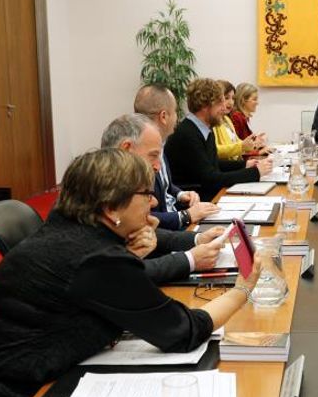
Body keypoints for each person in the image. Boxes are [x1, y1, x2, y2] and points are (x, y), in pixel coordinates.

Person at [0, 148, 260, 397]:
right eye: (145, 195)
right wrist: (243, 288)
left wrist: (130, 256)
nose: (153, 204)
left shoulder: (68, 231)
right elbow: (183, 331)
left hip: (24, 379)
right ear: (109, 208)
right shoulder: (95, 258)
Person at [100, 114, 224, 276]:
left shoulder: (116, 185)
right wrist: (190, 260)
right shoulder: (103, 191)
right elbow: (116, 274)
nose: (158, 166)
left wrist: (198, 239)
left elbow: (148, 232)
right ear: (126, 149)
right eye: (153, 156)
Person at [166, 78, 273, 201]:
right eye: (220, 103)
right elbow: (211, 179)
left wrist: (245, 164)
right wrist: (255, 172)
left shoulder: (205, 129)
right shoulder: (187, 134)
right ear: (205, 106)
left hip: (208, 196)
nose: (224, 108)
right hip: (197, 201)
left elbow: (213, 164)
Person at [132, 85, 218, 230]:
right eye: (176, 112)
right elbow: (142, 215)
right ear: (164, 116)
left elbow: (165, 185)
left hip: (177, 221)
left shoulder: (162, 142)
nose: (178, 118)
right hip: (167, 230)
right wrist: (186, 215)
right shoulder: (138, 152)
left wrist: (180, 194)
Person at [213, 80, 267, 162]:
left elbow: (238, 143)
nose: (231, 102)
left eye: (233, 98)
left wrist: (254, 144)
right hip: (231, 166)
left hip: (237, 163)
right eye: (226, 98)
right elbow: (217, 150)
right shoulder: (235, 117)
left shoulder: (227, 119)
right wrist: (256, 150)